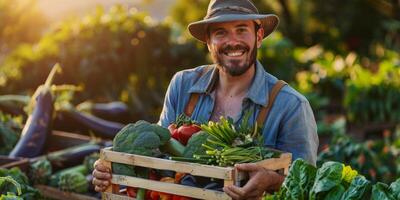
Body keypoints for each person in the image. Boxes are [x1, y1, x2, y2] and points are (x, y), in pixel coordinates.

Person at [92, 0, 318, 199]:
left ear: (258, 37)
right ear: (208, 42)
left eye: (241, 30)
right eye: (220, 32)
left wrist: (273, 182)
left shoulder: (290, 106)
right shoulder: (183, 85)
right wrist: (111, 168)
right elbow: (157, 154)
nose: (232, 41)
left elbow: (306, 187)